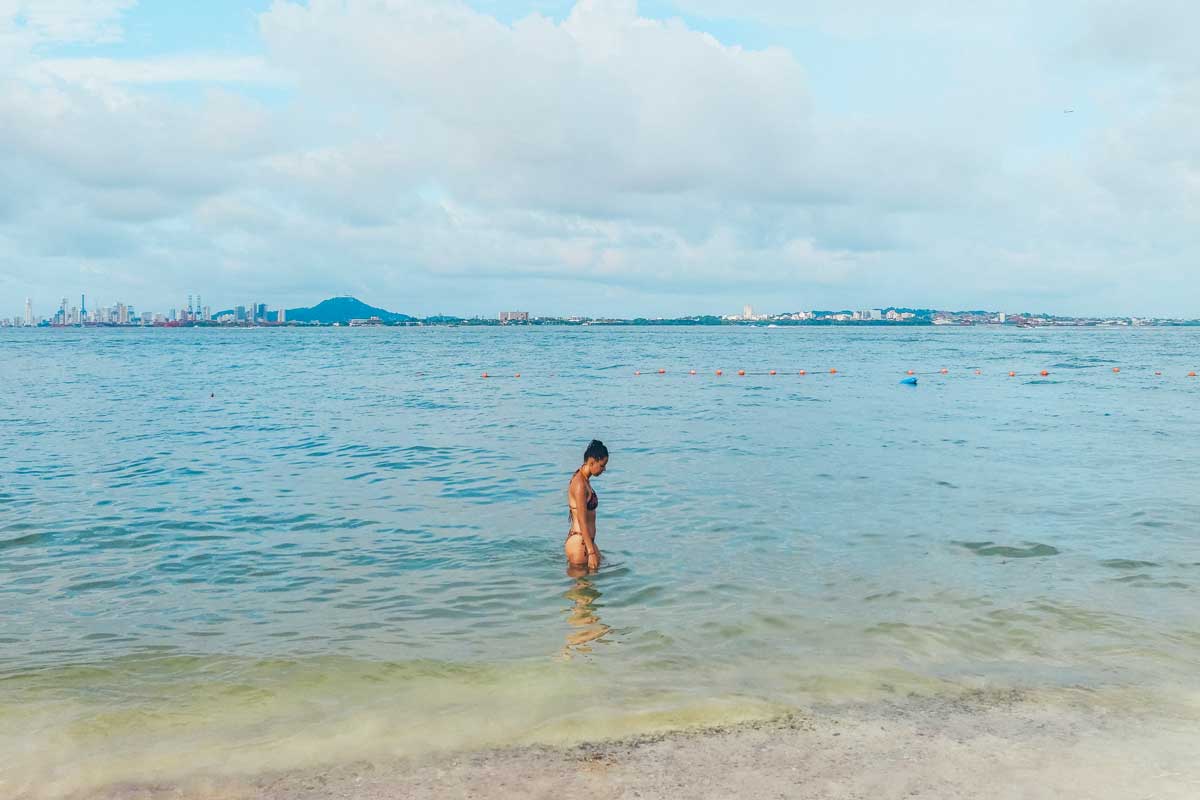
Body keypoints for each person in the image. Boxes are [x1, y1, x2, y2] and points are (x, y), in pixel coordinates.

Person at [566, 439, 607, 571]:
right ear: (591, 461)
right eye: (602, 465)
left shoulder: (584, 480)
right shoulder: (579, 484)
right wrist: (591, 552)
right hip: (580, 544)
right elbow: (582, 521)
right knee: (581, 590)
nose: (604, 469)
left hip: (586, 542)